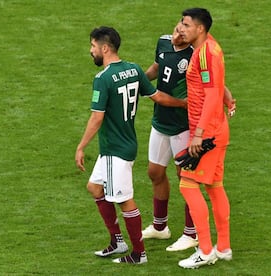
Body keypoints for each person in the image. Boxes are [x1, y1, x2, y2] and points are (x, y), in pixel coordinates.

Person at [75, 26, 187, 265]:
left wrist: (81, 146)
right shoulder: (134, 69)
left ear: (105, 48)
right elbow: (157, 96)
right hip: (120, 145)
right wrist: (182, 103)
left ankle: (139, 253)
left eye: (93, 46)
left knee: (125, 199)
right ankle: (118, 241)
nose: (90, 51)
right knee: (95, 187)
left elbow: (97, 117)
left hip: (117, 149)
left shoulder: (103, 79)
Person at [141, 22, 236, 252]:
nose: (176, 36)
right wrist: (140, 80)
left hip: (184, 125)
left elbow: (215, 83)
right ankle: (160, 226)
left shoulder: (196, 54)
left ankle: (191, 233)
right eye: (176, 30)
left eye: (182, 34)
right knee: (155, 172)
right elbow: (157, 67)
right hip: (160, 121)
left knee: (187, 179)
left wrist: (228, 98)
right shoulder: (163, 41)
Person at [176, 8, 233, 269]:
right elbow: (215, 85)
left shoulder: (205, 52)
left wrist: (199, 134)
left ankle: (206, 249)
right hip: (216, 129)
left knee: (187, 185)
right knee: (214, 186)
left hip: (207, 132)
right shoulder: (210, 48)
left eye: (186, 24)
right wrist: (227, 96)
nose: (181, 28)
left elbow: (210, 94)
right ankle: (223, 247)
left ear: (200, 28)